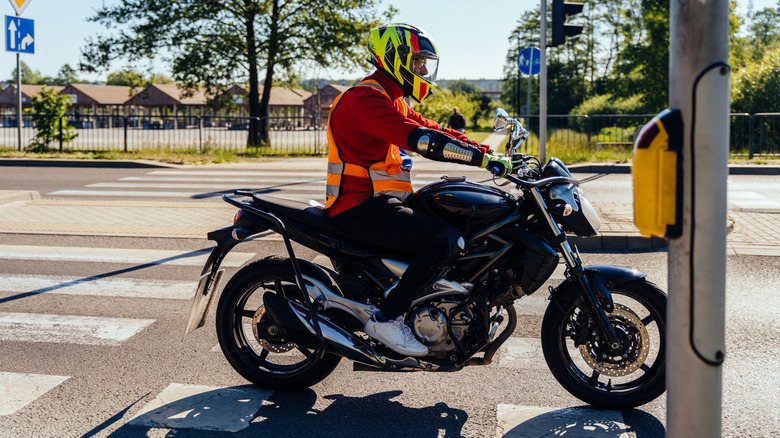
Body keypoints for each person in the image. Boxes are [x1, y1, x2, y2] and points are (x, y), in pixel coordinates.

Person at [325, 23, 512, 357]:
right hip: (358, 207)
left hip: (385, 202)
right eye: (418, 62)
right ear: (394, 58)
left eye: (425, 64)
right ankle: (386, 317)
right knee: (446, 239)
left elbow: (436, 129)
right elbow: (422, 140)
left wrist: (489, 151)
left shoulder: (392, 99)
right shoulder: (364, 99)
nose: (423, 70)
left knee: (458, 218)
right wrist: (482, 159)